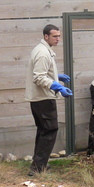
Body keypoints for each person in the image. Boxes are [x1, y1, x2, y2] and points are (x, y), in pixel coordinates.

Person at [25, 24, 72, 175]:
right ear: (46, 36)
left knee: (44, 130)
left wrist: (57, 77)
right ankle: (38, 167)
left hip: (40, 98)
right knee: (50, 130)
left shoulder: (43, 50)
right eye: (54, 36)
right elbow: (38, 77)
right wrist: (57, 86)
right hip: (43, 98)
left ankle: (40, 163)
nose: (58, 39)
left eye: (59, 36)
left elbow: (43, 72)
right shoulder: (43, 53)